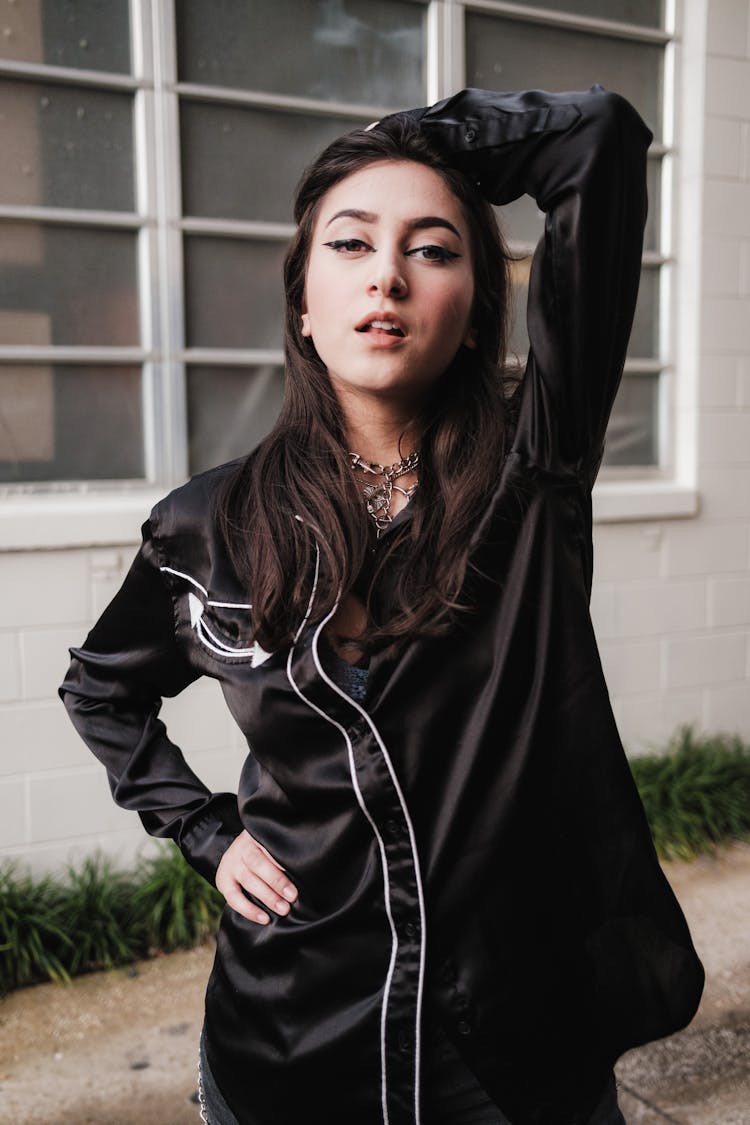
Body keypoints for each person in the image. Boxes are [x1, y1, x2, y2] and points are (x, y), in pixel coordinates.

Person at [59, 85, 704, 1125]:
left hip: (508, 1042)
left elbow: (597, 137)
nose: (389, 277)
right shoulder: (206, 525)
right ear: (303, 310)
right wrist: (211, 836)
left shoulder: (531, 476)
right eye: (351, 246)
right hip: (290, 1031)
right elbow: (100, 690)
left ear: (475, 311)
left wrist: (411, 142)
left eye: (434, 250)